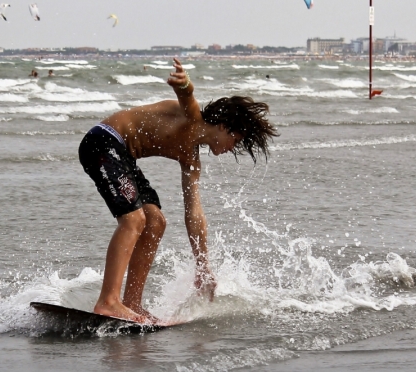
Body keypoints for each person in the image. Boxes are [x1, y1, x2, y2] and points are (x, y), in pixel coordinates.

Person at [78, 58, 278, 323]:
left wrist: (203, 267)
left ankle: (132, 303)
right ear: (223, 126)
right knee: (134, 219)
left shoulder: (191, 160)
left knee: (156, 222)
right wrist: (184, 82)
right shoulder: (192, 118)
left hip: (123, 156)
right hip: (103, 142)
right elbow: (187, 96)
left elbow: (194, 213)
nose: (232, 148)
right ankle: (108, 302)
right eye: (235, 140)